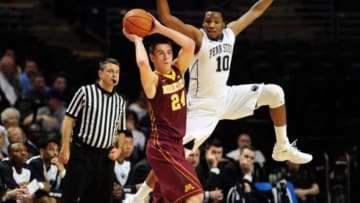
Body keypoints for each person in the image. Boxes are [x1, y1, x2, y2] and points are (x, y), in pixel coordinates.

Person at [124, 0, 313, 202]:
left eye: (215, 22)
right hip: (199, 109)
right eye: (207, 21)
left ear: (224, 23)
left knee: (275, 93)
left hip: (225, 98)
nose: (211, 25)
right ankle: (139, 197)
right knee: (175, 155)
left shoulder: (231, 33)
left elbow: (255, 10)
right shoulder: (198, 37)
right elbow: (167, 18)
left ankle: (282, 146)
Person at [123, 13, 204, 203]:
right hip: (162, 146)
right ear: (153, 57)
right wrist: (137, 40)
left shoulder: (177, 70)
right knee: (196, 195)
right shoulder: (153, 81)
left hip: (176, 145)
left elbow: (190, 44)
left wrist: (159, 28)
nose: (167, 57)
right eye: (161, 53)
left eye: (169, 52)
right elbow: (142, 63)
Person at [58, 58, 127, 203]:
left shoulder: (120, 101)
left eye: (117, 72)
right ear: (100, 73)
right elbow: (68, 119)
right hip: (82, 152)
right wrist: (65, 147)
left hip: (105, 157)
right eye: (110, 71)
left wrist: (119, 149)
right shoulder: (85, 92)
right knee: (71, 196)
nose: (114, 75)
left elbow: (121, 130)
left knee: (102, 199)